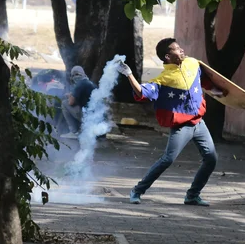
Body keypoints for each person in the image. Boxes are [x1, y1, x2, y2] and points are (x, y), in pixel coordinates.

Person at [117, 38, 227, 206]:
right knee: (168, 159)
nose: (182, 50)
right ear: (168, 56)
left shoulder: (193, 64)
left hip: (199, 123)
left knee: (211, 159)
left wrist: (215, 90)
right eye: (177, 49)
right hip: (181, 126)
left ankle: (192, 195)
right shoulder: (163, 79)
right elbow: (142, 93)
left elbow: (205, 80)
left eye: (181, 48)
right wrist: (129, 74)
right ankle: (137, 190)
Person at [61, 66, 96, 139]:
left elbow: (71, 102)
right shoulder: (90, 83)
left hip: (87, 118)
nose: (74, 77)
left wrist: (70, 96)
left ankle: (74, 132)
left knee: (64, 103)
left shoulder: (79, 84)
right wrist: (72, 94)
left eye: (75, 75)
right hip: (96, 118)